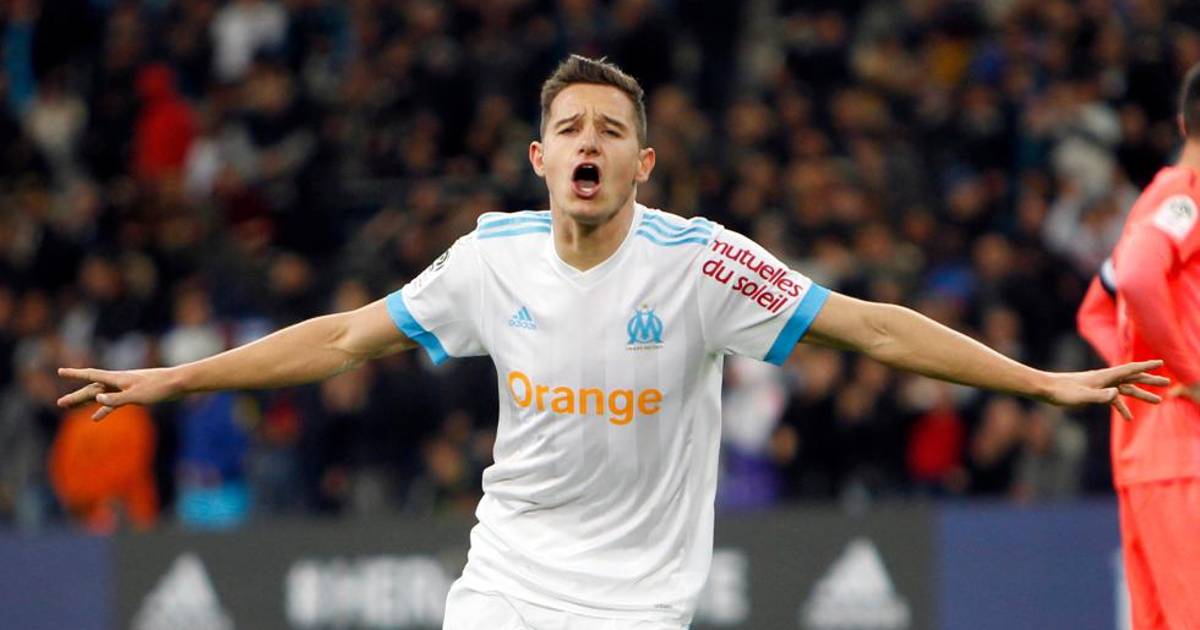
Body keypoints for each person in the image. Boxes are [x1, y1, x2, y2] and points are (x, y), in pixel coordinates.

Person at [61, 55, 1165, 630]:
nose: (588, 141)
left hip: (638, 604)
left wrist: (1039, 382)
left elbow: (870, 326)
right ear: (540, 159)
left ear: (644, 164)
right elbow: (347, 338)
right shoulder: (488, 258)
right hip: (506, 581)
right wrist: (175, 378)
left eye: (611, 129)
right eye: (569, 127)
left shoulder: (703, 263)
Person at [1076, 62, 1200, 630]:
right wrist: (1190, 374)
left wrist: (1145, 379)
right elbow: (1140, 278)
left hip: (1149, 458)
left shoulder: (1148, 206)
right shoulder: (1185, 199)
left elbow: (1095, 309)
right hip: (1186, 456)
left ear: (1182, 121)